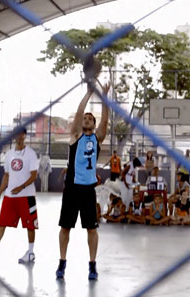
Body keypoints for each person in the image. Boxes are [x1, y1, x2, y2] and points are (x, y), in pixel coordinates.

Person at [56, 77, 110, 281]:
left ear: (94, 125)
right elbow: (79, 113)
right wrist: (89, 93)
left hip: (88, 189)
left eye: (90, 118)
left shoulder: (97, 138)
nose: (86, 119)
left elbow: (104, 121)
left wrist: (104, 98)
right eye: (85, 118)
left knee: (91, 229)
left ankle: (92, 264)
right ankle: (62, 262)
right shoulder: (75, 135)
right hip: (72, 188)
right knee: (65, 227)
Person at [0, 128, 39, 264]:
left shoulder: (31, 154)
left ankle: (30, 252)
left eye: (21, 134)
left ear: (24, 136)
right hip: (10, 196)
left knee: (30, 226)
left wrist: (21, 187)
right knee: (1, 223)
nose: (18, 136)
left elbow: (34, 175)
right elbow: (6, 176)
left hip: (27, 196)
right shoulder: (9, 154)